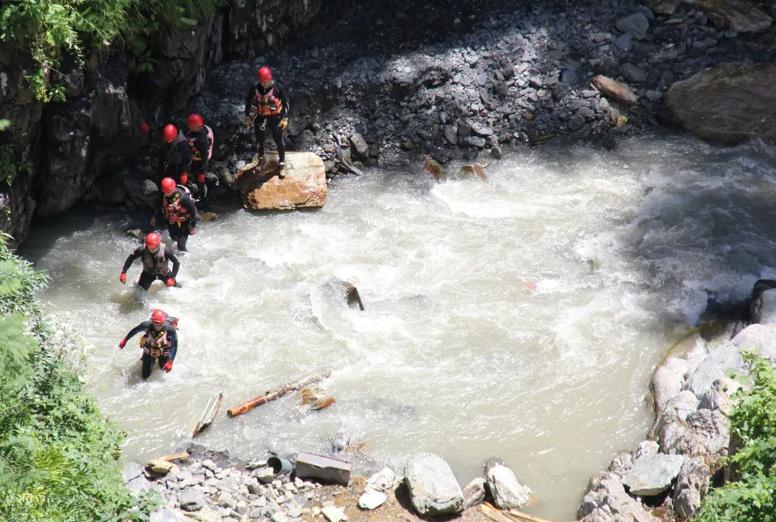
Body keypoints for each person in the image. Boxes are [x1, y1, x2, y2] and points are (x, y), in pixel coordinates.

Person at [244, 65, 289, 170]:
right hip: (261, 118)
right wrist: (248, 116)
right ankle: (261, 158)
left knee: (278, 139)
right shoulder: (254, 87)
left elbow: (286, 102)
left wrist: (284, 118)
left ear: (270, 79)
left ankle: (282, 160)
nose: (265, 84)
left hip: (275, 117)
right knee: (259, 139)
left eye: (267, 81)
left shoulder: (278, 88)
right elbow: (248, 101)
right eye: (262, 82)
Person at [118, 309, 178, 379]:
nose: (157, 326)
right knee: (145, 377)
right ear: (152, 321)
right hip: (150, 349)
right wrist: (125, 340)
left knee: (162, 369)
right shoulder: (146, 325)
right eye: (155, 323)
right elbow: (134, 331)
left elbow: (174, 345)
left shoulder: (170, 329)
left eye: (159, 323)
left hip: (163, 350)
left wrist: (170, 362)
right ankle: (147, 357)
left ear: (163, 322)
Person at [151, 177, 198, 252]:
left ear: (173, 189)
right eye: (165, 192)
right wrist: (154, 216)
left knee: (181, 247)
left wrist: (193, 226)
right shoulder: (164, 195)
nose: (166, 194)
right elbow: (161, 205)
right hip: (172, 219)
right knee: (173, 237)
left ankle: (185, 259)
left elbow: (194, 210)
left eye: (168, 192)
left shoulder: (183, 198)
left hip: (185, 221)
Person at [185, 113, 216, 204]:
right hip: (199, 159)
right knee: (198, 177)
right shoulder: (201, 130)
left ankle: (203, 198)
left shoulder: (201, 139)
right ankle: (203, 191)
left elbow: (204, 154)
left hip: (201, 162)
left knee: (200, 180)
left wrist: (202, 167)